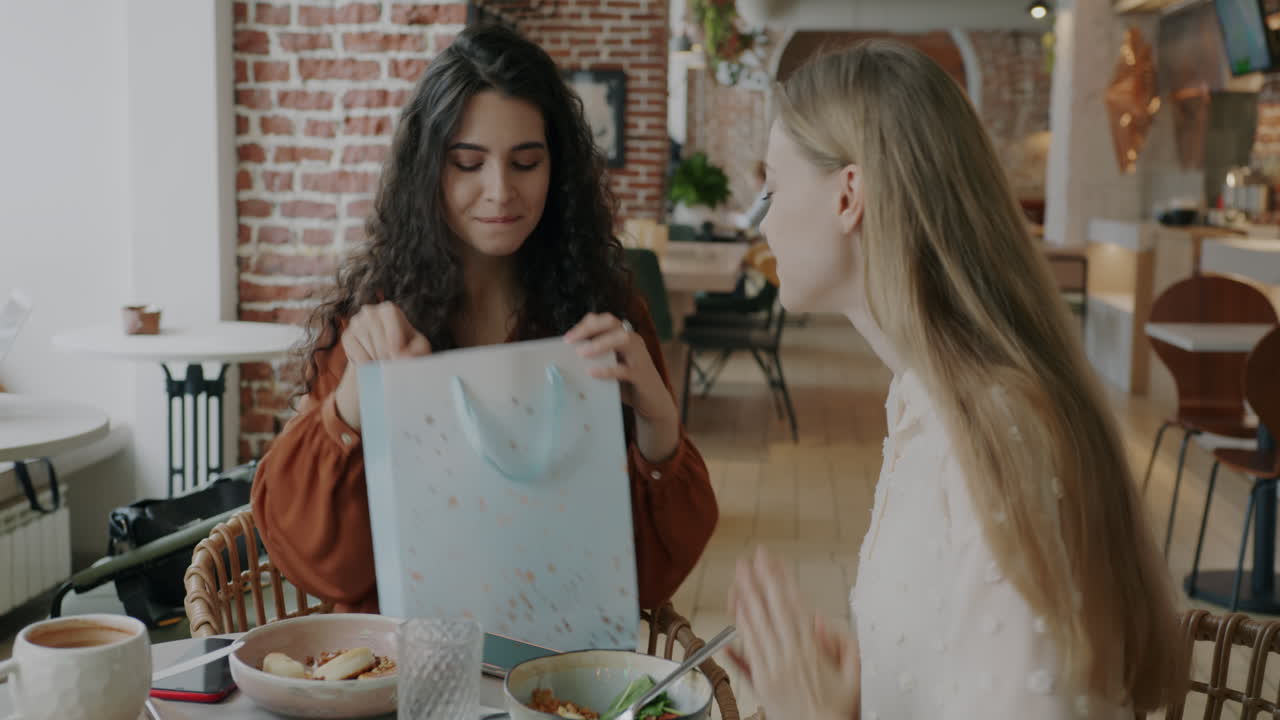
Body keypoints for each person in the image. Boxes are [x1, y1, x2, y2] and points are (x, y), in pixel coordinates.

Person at [727, 41, 1186, 719]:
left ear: (848, 194)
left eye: (773, 185)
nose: (761, 217)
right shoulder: (927, 400)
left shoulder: (997, 431)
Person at [250, 24, 717, 615]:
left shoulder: (606, 312)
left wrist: (657, 422)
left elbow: (647, 580)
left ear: (558, 167)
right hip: (400, 671)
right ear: (429, 171)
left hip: (557, 670)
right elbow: (322, 566)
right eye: (468, 164)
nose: (500, 191)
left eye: (526, 162)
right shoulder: (376, 320)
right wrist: (348, 406)